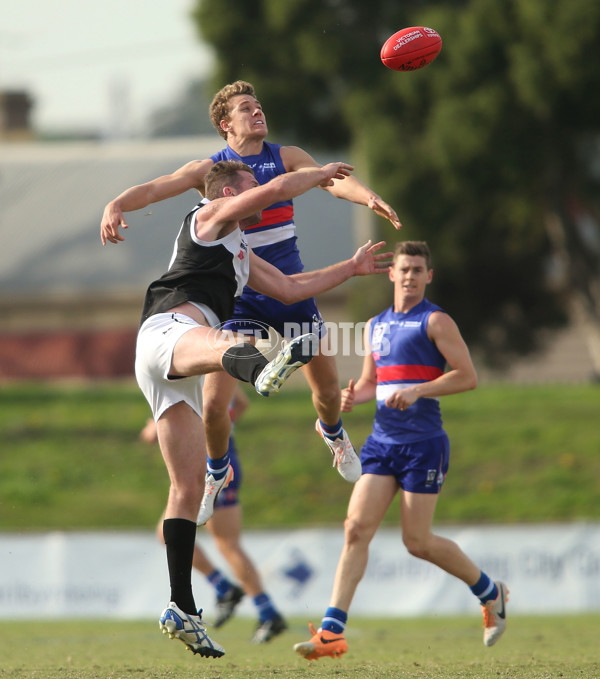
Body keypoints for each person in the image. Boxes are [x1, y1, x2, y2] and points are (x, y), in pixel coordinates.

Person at [131, 158, 392, 659]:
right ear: (230, 190)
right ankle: (261, 368)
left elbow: (293, 289)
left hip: (171, 368)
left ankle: (181, 606)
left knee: (184, 490)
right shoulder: (207, 217)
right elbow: (273, 192)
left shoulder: (241, 252)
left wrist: (352, 268)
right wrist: (318, 175)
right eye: (251, 182)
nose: (261, 187)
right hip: (166, 336)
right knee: (229, 339)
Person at [101, 80, 402, 486]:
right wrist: (117, 203)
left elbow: (330, 180)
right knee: (213, 406)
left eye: (259, 106)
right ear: (226, 124)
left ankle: (332, 433)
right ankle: (216, 471)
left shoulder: (284, 156)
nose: (257, 112)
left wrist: (366, 196)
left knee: (329, 393)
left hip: (288, 285)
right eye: (246, 108)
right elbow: (157, 188)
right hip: (239, 297)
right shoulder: (210, 170)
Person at [293, 241, 508, 661]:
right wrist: (352, 396)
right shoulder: (374, 325)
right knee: (355, 528)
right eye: (403, 269)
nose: (409, 276)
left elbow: (467, 377)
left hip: (423, 445)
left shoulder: (437, 321)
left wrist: (418, 390)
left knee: (418, 541)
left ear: (428, 277)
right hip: (381, 443)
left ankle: (490, 591)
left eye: (417, 270)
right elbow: (372, 382)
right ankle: (332, 632)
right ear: (391, 274)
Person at [145, 387, 287, 644]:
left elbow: (187, 417)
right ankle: (237, 595)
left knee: (226, 543)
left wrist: (155, 428)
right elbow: (241, 403)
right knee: (176, 534)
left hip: (210, 463)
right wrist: (223, 428)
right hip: (221, 457)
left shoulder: (191, 372)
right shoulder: (217, 368)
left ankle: (259, 608)